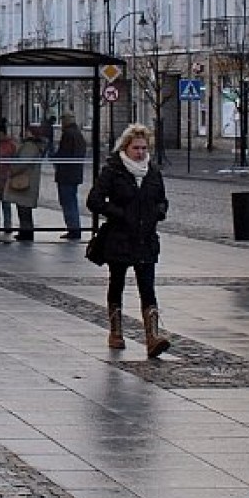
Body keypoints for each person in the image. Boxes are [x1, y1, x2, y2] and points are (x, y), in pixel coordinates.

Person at [86, 123, 171, 358]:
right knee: (117, 283)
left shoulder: (152, 171)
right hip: (120, 237)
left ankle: (152, 337)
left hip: (146, 238)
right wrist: (120, 214)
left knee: (148, 287)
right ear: (126, 147)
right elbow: (94, 200)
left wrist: (158, 212)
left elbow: (162, 199)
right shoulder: (114, 170)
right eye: (136, 148)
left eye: (144, 148)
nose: (141, 152)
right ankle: (116, 331)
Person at [3, 125, 45, 241]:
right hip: (27, 179)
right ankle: (25, 231)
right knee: (23, 208)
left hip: (25, 180)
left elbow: (23, 162)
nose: (25, 133)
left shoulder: (30, 146)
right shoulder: (32, 145)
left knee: (24, 209)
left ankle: (26, 233)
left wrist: (12, 170)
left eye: (27, 131)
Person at [54, 114, 87, 240]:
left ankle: (73, 229)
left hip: (66, 174)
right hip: (75, 174)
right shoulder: (78, 134)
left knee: (68, 202)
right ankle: (74, 228)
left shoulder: (68, 134)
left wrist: (54, 158)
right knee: (71, 200)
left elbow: (64, 154)